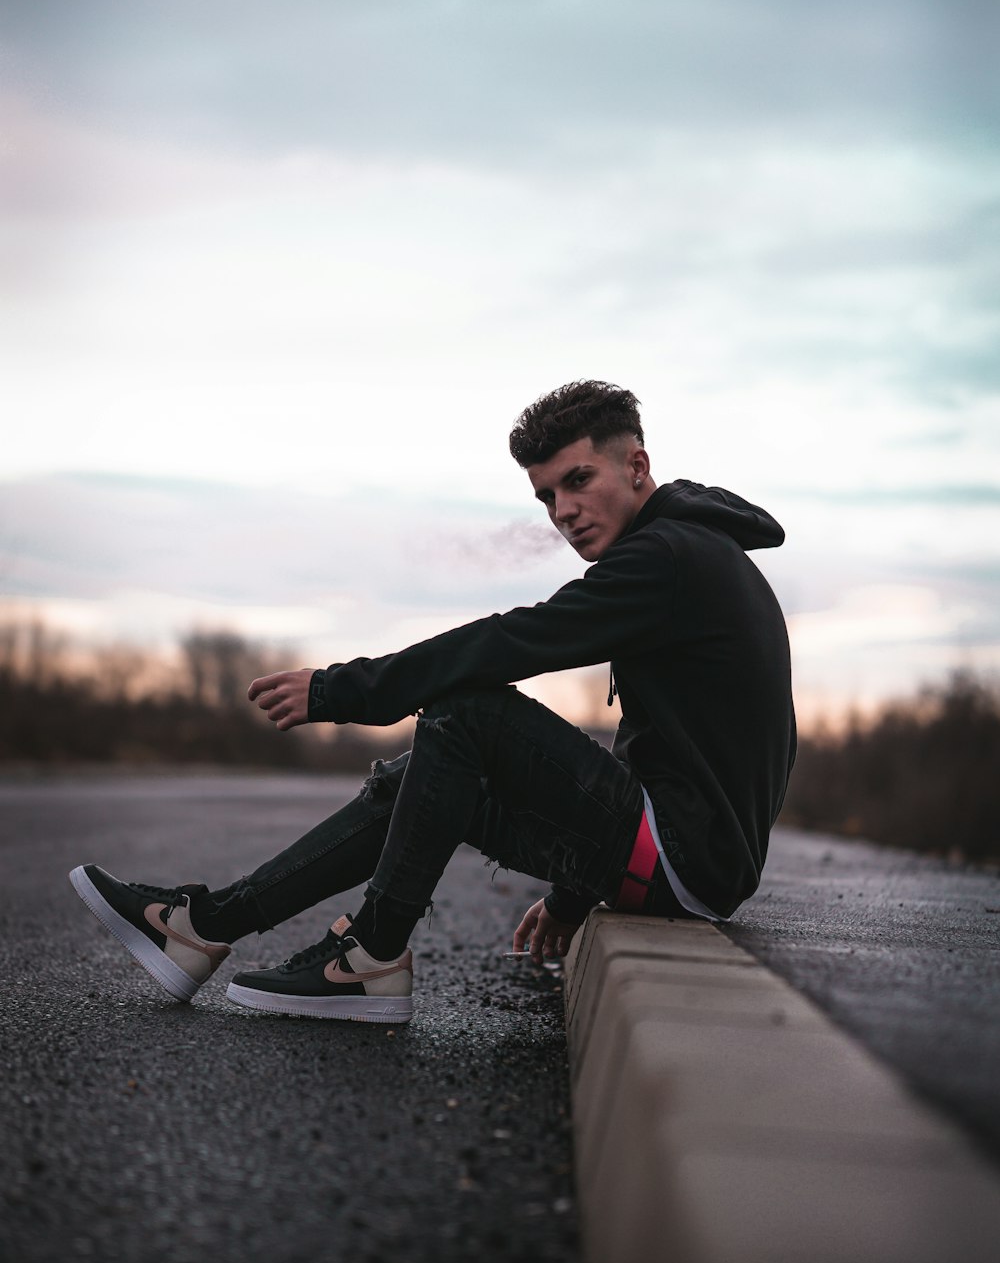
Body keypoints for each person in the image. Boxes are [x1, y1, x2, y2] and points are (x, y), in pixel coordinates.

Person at [69, 381, 796, 1023]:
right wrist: (573, 895)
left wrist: (339, 689)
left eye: (579, 480)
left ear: (636, 466)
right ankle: (205, 926)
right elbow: (666, 752)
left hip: (683, 858)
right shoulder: (686, 552)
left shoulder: (667, 558)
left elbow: (513, 642)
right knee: (414, 781)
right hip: (682, 855)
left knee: (467, 710)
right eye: (547, 496)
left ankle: (372, 953)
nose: (565, 511)